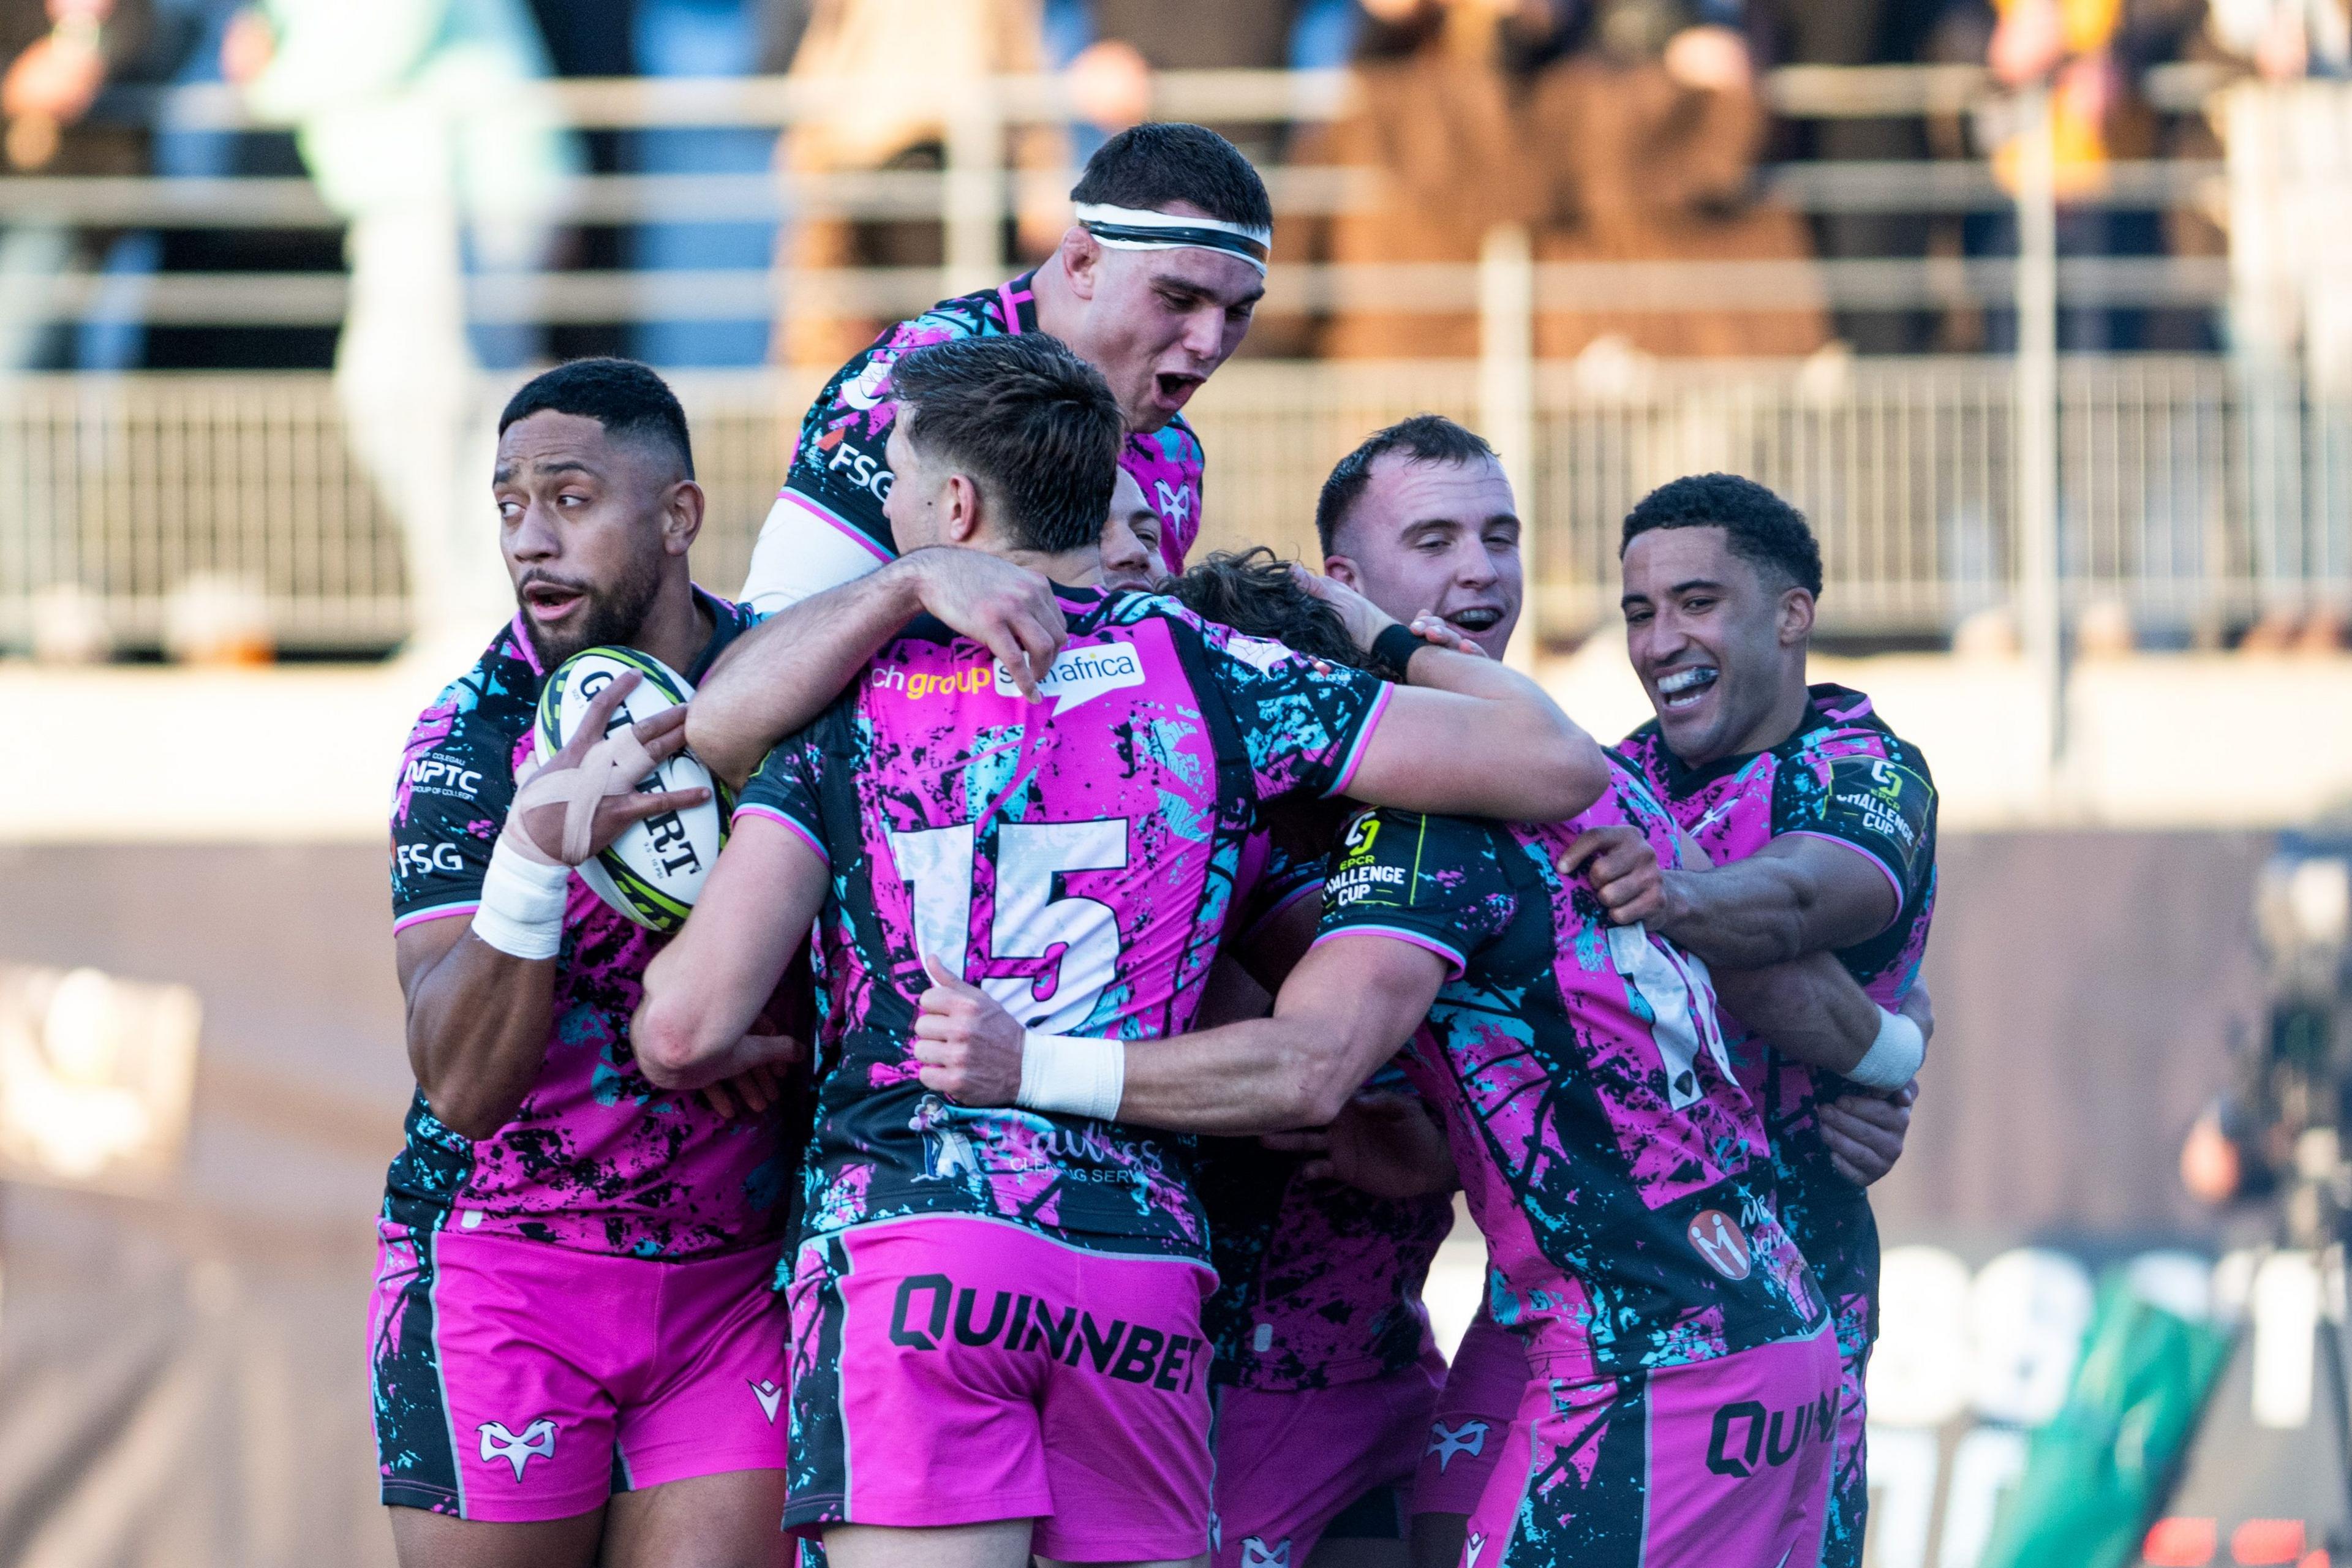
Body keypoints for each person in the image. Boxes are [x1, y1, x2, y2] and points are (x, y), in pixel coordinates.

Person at [630, 332, 1616, 1568]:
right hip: (1136, 1268)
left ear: (954, 505)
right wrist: (1362, 627)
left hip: (916, 1240)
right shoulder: (1218, 673)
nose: (881, 504)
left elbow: (685, 1024)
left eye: (894, 480)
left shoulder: (844, 696)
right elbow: (1561, 763)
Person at [901, 663, 1920, 1568]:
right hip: (1721, 1322)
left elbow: (1307, 1066)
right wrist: (1897, 1051)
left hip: (1650, 1356)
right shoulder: (1601, 773)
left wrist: (1026, 1064)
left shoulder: (1417, 830)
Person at [376, 358, 802, 1568]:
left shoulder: (790, 684)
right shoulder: (473, 734)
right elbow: (459, 1082)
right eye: (509, 503)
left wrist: (750, 1023)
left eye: (568, 498)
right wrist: (533, 852)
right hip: (507, 1274)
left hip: (733, 1288)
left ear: (679, 517)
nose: (530, 539)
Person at [1605, 471, 1939, 1568]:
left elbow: (1798, 901)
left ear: (1792, 615)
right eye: (1640, 612)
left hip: (1794, 1304)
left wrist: (1661, 891)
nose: (1661, 641)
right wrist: (1894, 1049)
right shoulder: (1605, 777)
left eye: (1697, 602)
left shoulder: (1865, 768)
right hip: (1605, 1305)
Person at [738, 118, 1267, 613]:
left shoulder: (1175, 452)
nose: (1209, 342)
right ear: (1083, 263)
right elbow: (769, 645)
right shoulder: (910, 389)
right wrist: (923, 584)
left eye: (1239, 311)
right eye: (1178, 299)